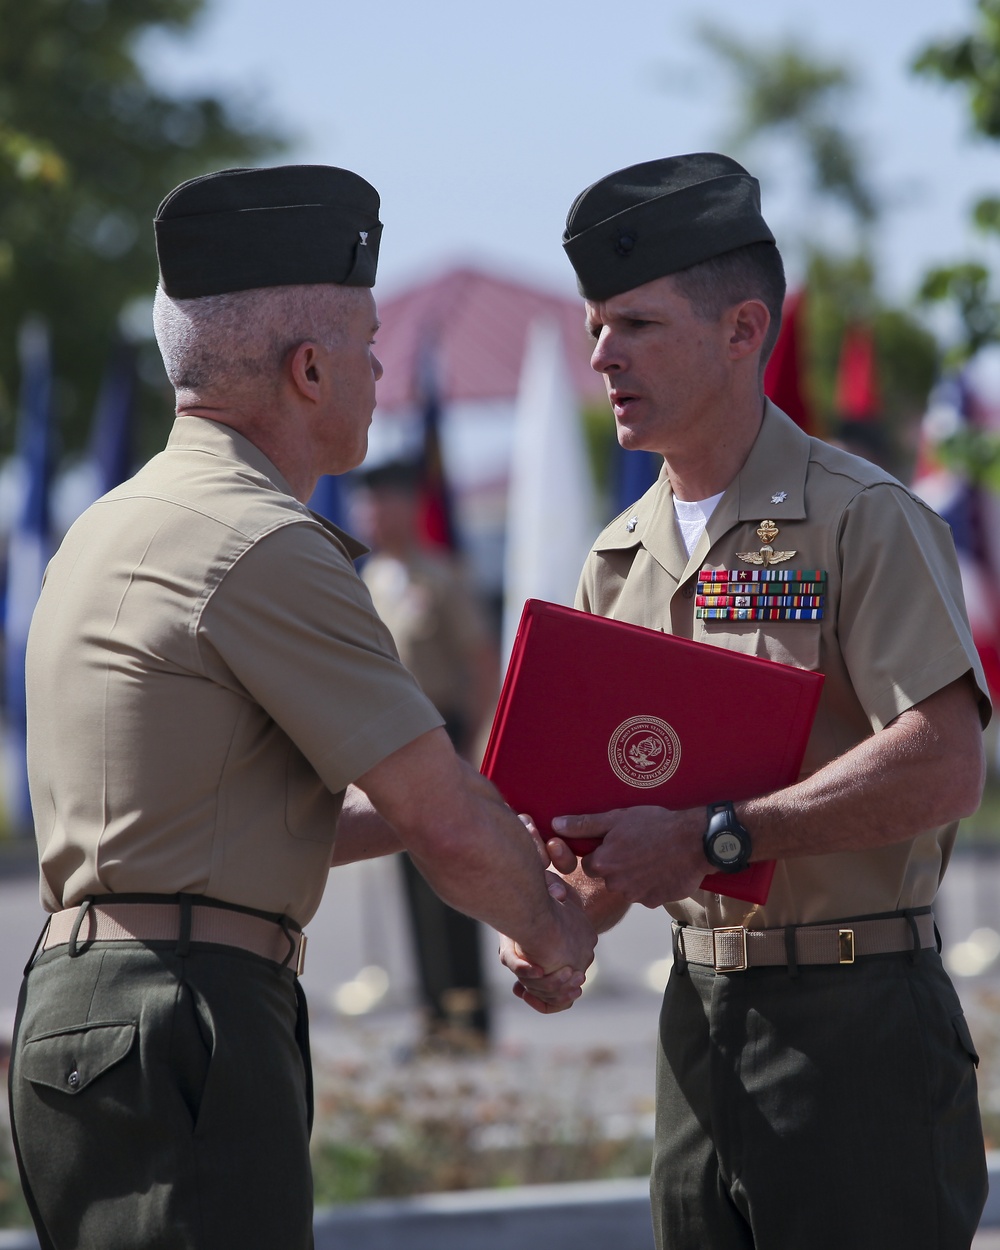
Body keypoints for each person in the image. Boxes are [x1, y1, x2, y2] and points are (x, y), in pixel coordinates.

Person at [7, 164, 595, 1250]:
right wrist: (552, 925)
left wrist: (490, 826)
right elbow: (438, 813)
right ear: (310, 369)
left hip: (84, 1013)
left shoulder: (111, 524)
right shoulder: (265, 541)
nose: (379, 369)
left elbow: (223, 819)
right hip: (185, 1016)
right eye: (366, 345)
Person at [501, 154, 992, 1250]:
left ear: (740, 329)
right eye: (592, 326)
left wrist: (717, 835)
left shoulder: (861, 517)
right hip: (700, 1024)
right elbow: (612, 811)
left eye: (633, 323)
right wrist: (569, 918)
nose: (600, 355)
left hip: (856, 1024)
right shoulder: (614, 558)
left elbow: (945, 759)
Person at [357, 458, 499, 1048]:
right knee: (409, 877)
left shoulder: (439, 577)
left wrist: (473, 745)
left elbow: (480, 662)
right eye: (368, 505)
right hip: (389, 747)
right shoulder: (365, 581)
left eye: (384, 502)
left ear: (411, 508)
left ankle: (466, 1015)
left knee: (453, 877)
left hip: (442, 736)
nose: (373, 515)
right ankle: (434, 1014)